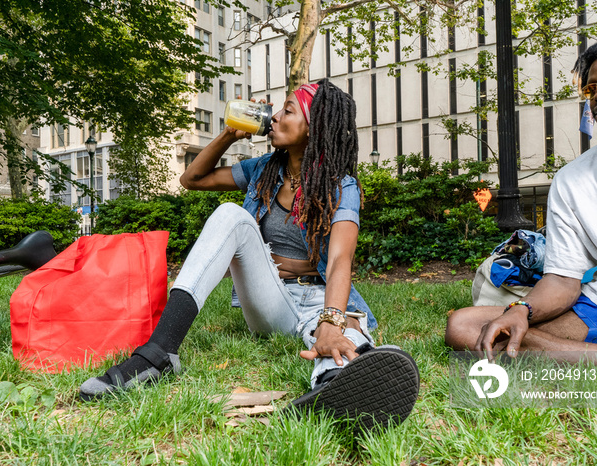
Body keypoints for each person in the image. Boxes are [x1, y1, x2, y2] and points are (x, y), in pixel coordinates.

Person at [80, 79, 419, 428]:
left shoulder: (340, 186)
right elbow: (193, 179)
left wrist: (331, 320)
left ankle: (333, 385)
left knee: (346, 333)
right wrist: (229, 134)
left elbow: (338, 261)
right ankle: (159, 353)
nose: (274, 117)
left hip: (320, 297)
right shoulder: (263, 171)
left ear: (314, 127)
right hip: (270, 298)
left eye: (288, 110)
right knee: (231, 215)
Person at [445, 29, 597, 367]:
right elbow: (564, 279)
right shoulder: (572, 179)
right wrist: (521, 309)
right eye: (591, 88)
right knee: (465, 327)